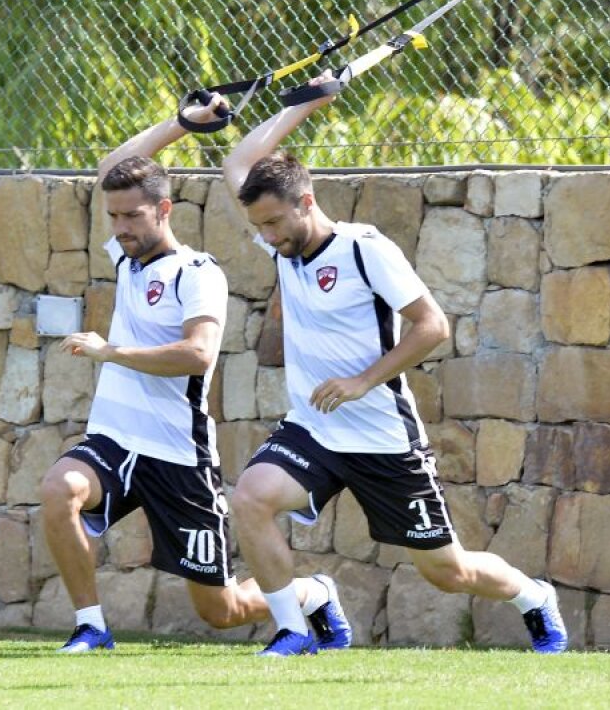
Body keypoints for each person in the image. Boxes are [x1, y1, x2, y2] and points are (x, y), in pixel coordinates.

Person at [220, 86, 568, 656]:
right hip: (314, 428)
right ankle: (292, 628)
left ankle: (534, 597)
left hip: (381, 435)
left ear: (307, 202)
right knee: (252, 498)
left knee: (447, 572)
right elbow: (237, 162)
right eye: (260, 227)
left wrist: (361, 382)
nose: (268, 238)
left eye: (276, 223)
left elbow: (432, 326)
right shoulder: (281, 244)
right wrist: (308, 102)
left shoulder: (365, 250)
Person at [40, 99, 351, 654]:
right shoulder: (126, 259)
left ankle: (310, 593)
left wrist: (110, 351)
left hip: (179, 457)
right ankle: (92, 626)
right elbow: (113, 164)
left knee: (221, 609)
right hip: (115, 441)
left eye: (132, 216)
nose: (120, 227)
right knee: (60, 487)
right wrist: (183, 125)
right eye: (113, 216)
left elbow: (197, 354)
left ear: (164, 210)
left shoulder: (198, 273)